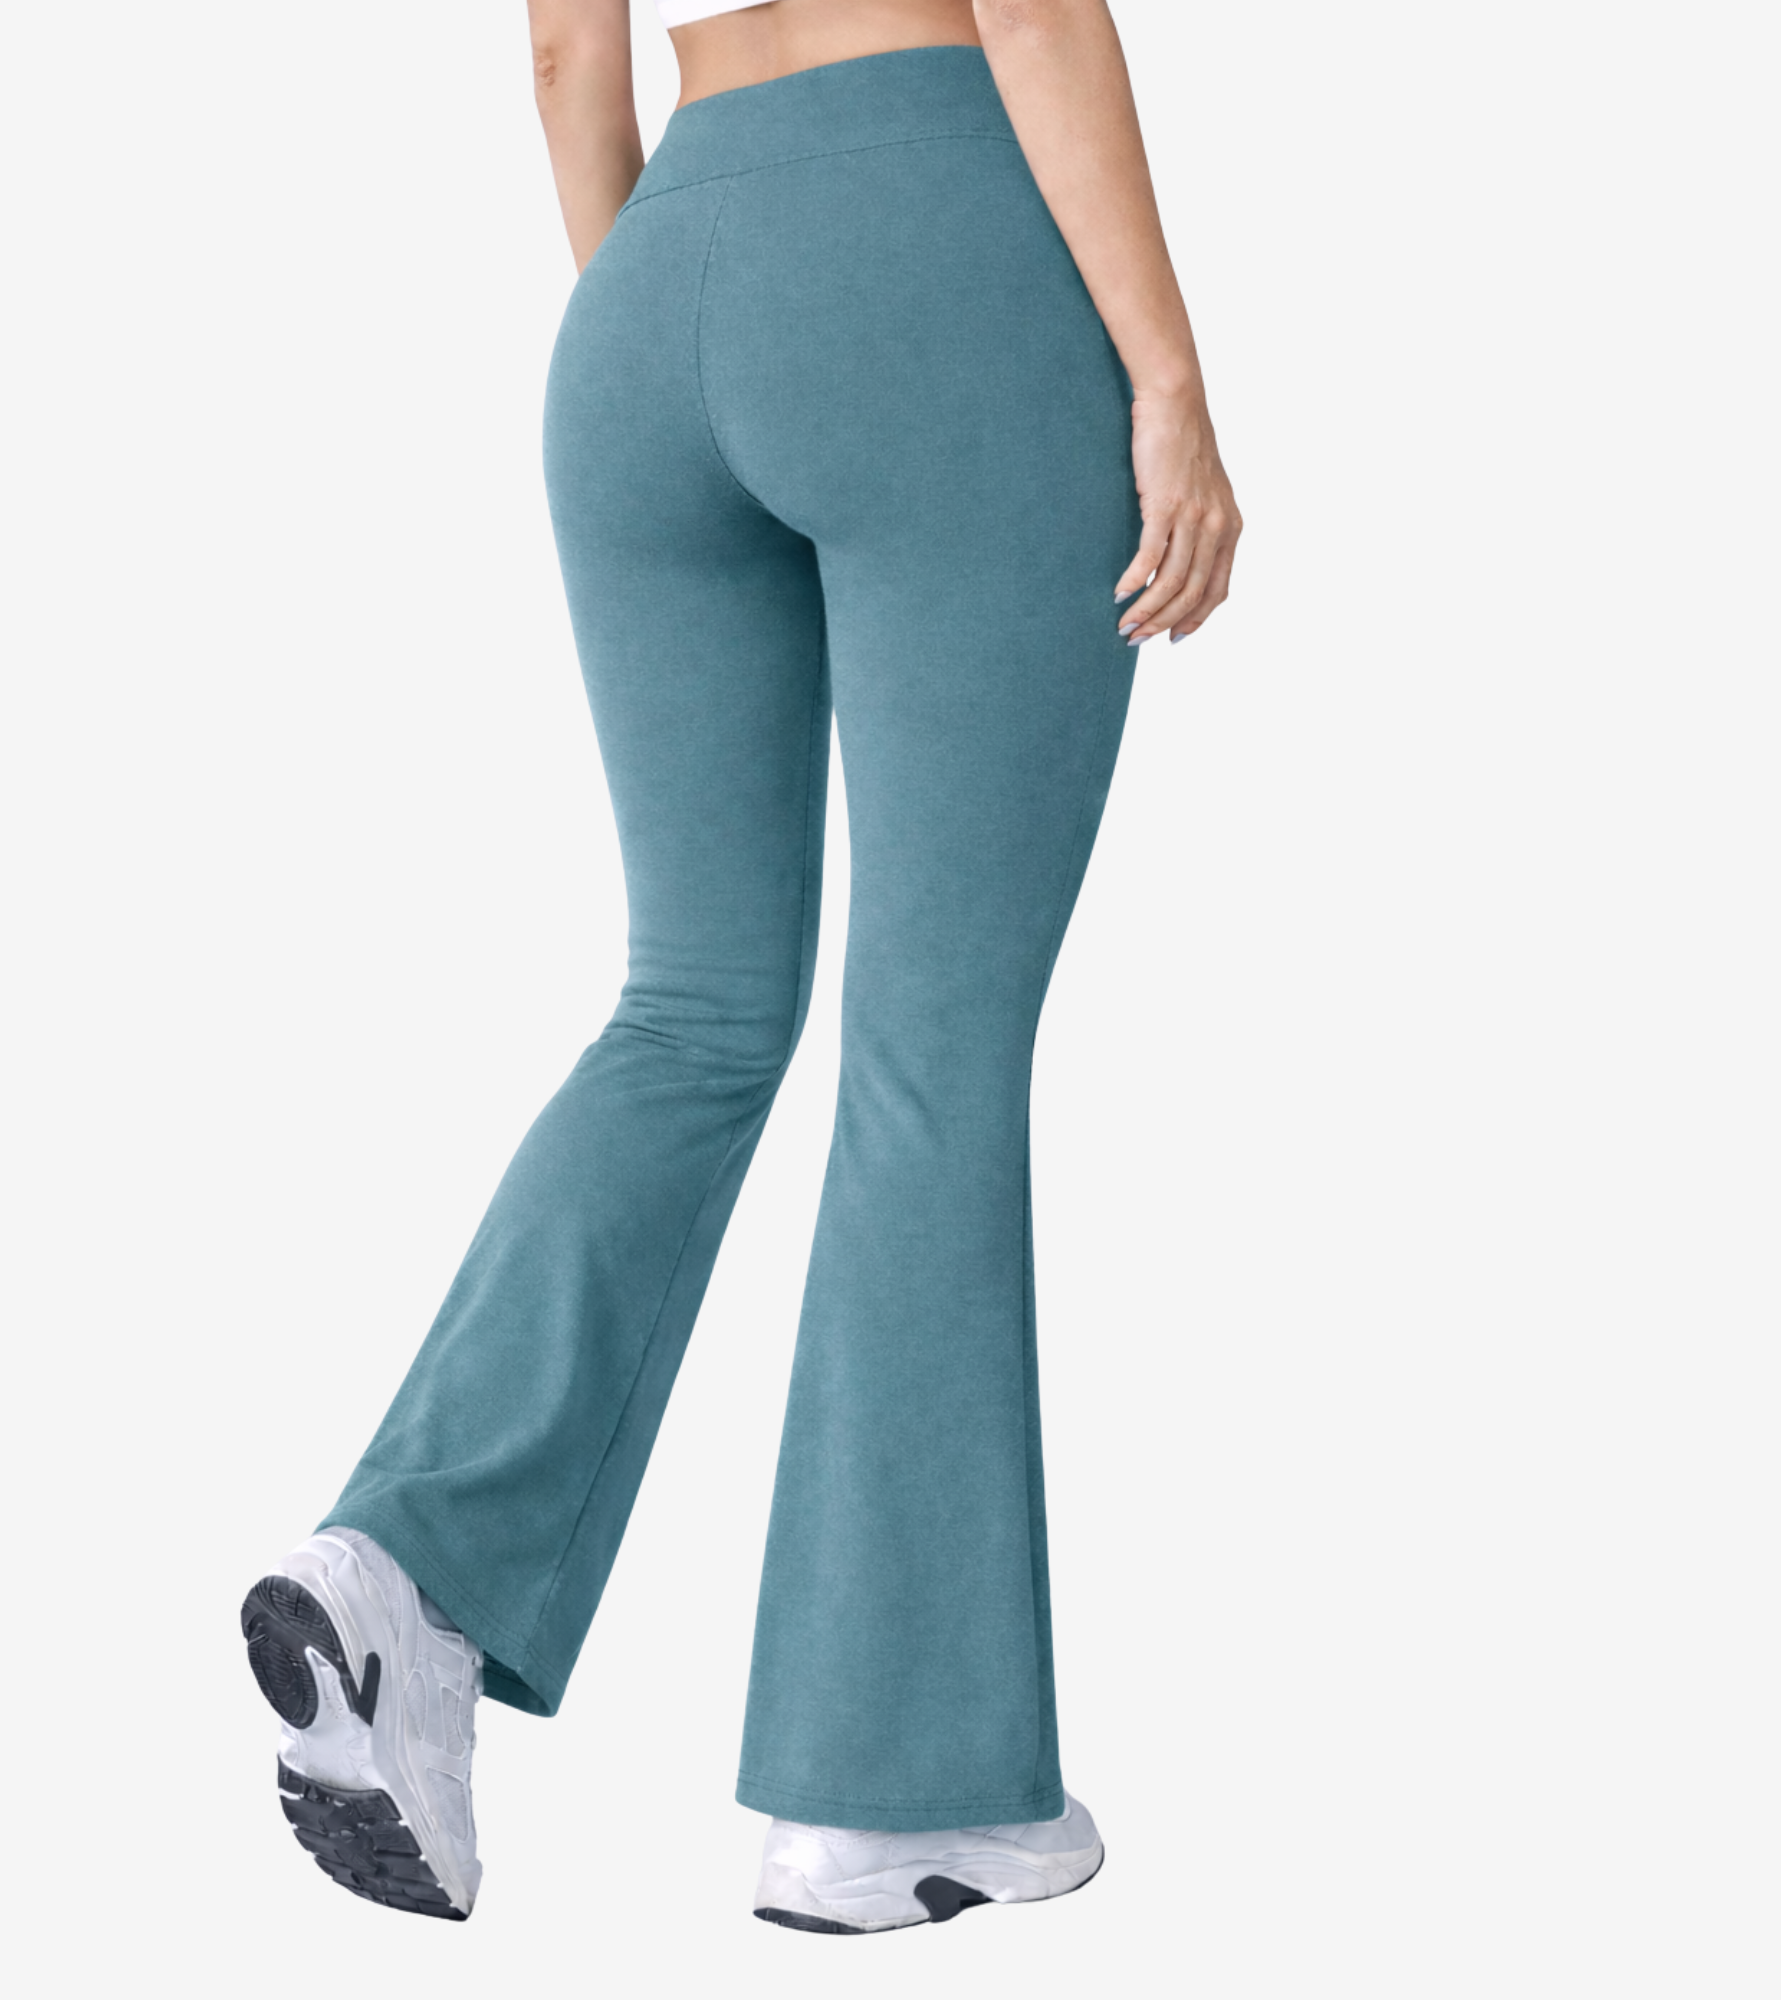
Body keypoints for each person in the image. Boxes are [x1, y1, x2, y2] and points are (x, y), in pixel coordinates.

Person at [239, 0, 1240, 1935]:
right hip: (935, 254)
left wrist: (702, 330)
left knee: (691, 1008)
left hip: (651, 297)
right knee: (932, 1045)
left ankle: (403, 1572)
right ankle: (890, 1793)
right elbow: (1028, 8)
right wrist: (1171, 380)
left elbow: (564, 57)